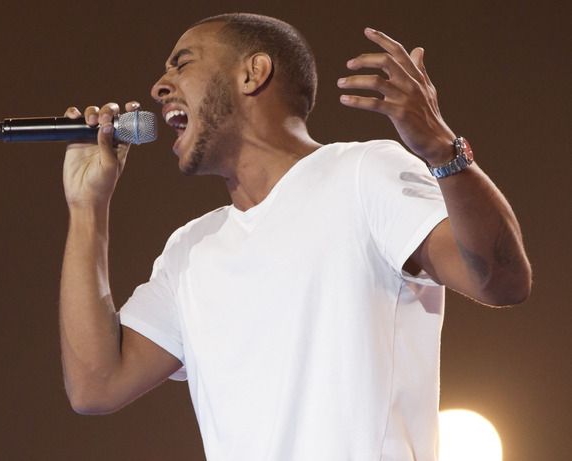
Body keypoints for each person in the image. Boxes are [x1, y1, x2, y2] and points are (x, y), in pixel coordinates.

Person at [59, 13, 531, 461]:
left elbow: (502, 282)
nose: (159, 87)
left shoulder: (363, 174)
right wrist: (86, 206)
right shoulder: (190, 250)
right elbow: (96, 385)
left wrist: (443, 151)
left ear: (253, 73)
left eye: (182, 64)